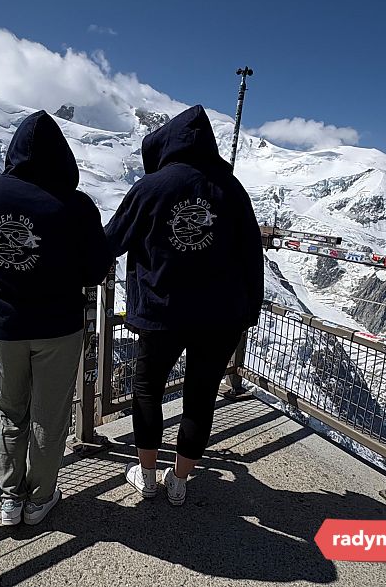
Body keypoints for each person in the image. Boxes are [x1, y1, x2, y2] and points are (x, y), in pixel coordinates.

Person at [105, 104, 264, 505]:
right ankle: (179, 481)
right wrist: (251, 311)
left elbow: (109, 243)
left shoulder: (151, 187)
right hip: (221, 317)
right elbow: (252, 257)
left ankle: (146, 475)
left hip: (162, 313)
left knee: (148, 390)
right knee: (200, 397)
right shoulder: (232, 190)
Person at [0, 110, 111, 525]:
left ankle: (9, 499)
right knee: (50, 417)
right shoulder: (77, 205)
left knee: (11, 409)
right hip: (58, 328)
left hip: (6, 327)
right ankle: (41, 498)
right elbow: (95, 269)